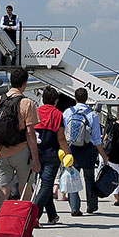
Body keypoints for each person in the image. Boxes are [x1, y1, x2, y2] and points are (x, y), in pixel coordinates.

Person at [0, 67, 39, 237]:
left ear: (10, 81)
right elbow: (30, 134)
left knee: (1, 193)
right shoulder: (27, 103)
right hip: (21, 152)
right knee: (24, 191)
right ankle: (22, 227)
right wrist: (35, 158)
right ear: (25, 83)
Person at [62, 87, 110, 215]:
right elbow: (96, 139)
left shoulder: (67, 112)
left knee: (73, 178)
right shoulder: (92, 114)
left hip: (72, 149)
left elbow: (62, 133)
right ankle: (91, 205)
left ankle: (74, 207)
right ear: (86, 98)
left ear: (75, 98)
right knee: (89, 178)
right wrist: (104, 156)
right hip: (88, 149)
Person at [34, 86, 71, 225]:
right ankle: (34, 215)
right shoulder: (57, 114)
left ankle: (52, 216)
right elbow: (61, 138)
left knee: (46, 186)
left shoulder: (36, 112)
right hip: (51, 154)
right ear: (56, 100)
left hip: (36, 154)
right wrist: (67, 153)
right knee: (46, 186)